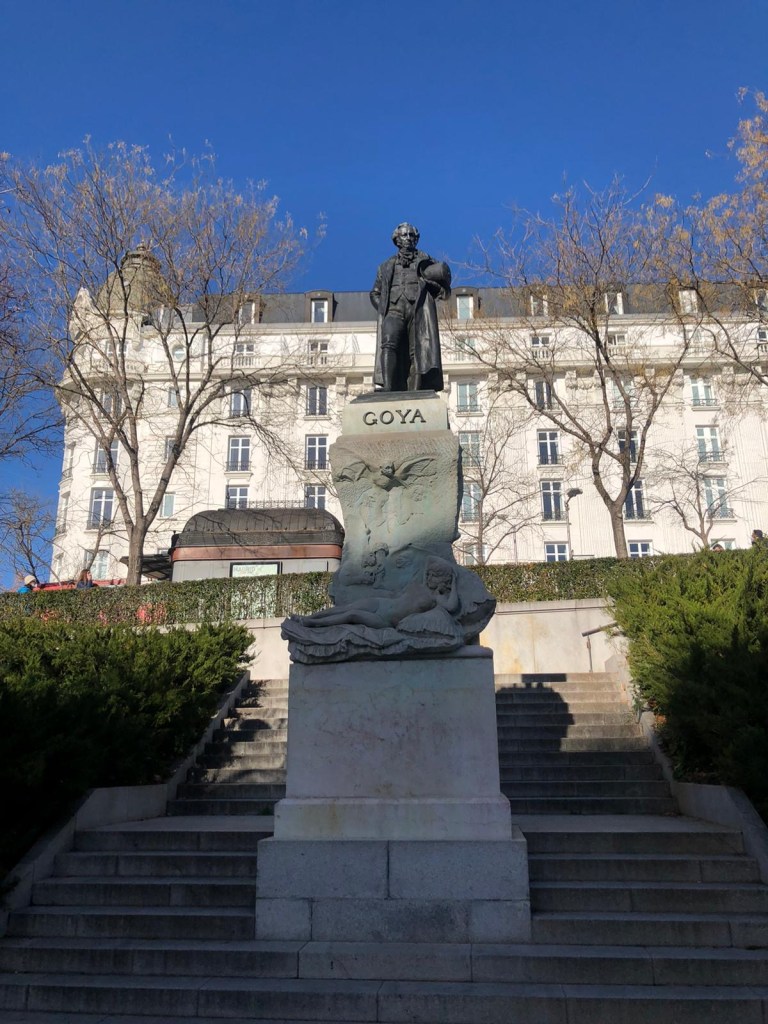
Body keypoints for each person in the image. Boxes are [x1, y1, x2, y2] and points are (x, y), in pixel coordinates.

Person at [370, 223, 451, 393]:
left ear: (416, 239)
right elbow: (375, 293)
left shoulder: (427, 262)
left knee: (418, 349)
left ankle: (416, 389)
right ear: (397, 239)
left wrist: (431, 284)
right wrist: (383, 309)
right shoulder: (385, 266)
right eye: (404, 235)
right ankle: (388, 387)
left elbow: (443, 286)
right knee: (388, 343)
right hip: (394, 311)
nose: (408, 238)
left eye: (411, 235)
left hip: (418, 310)